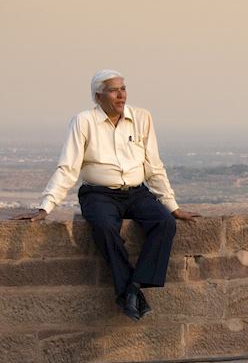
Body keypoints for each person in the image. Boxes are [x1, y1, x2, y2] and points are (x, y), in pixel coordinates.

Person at [15, 69, 199, 321]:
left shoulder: (142, 118)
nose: (121, 95)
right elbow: (68, 167)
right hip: (98, 194)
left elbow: (153, 166)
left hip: (136, 192)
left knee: (165, 223)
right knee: (104, 228)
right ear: (98, 96)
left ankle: (132, 288)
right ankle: (131, 291)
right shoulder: (83, 121)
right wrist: (45, 207)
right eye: (114, 90)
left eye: (123, 88)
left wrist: (173, 206)